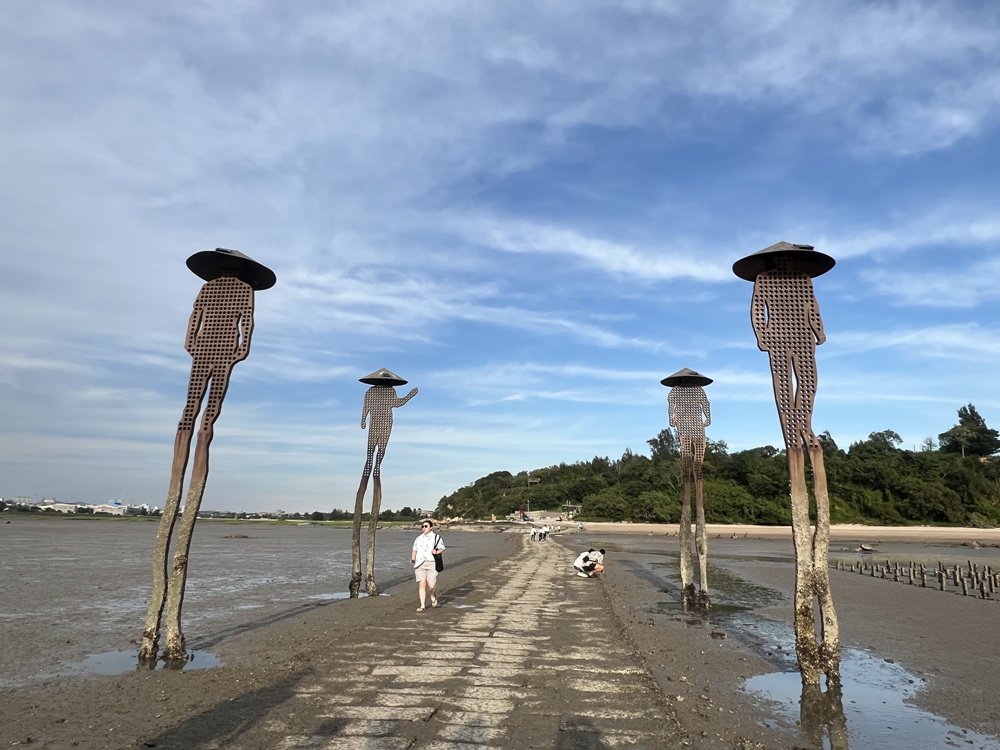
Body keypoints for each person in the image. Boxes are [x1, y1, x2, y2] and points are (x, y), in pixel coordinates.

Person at [411, 521, 445, 611]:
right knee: (422, 584)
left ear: (431, 527)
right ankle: (422, 606)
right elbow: (414, 549)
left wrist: (436, 552)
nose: (423, 528)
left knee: (431, 586)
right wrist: (413, 558)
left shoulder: (436, 537)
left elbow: (442, 548)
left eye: (426, 526)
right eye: (422, 526)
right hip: (420, 563)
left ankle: (433, 595)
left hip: (432, 562)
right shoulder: (418, 538)